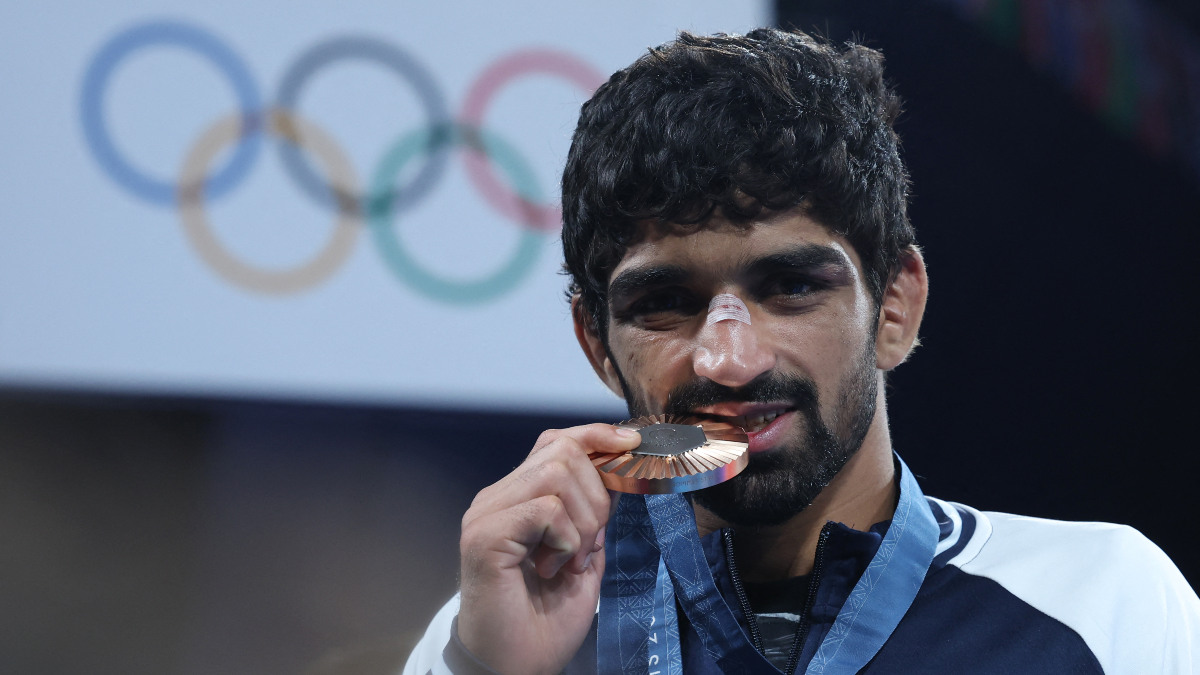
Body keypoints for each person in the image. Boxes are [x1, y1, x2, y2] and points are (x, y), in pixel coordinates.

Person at [404, 28, 1199, 674]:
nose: (729, 360)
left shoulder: (1103, 604)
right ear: (596, 343)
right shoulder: (496, 631)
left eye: (788, 288)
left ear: (894, 305)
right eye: (665, 304)